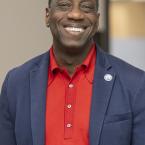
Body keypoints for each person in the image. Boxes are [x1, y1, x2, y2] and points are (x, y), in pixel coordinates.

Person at [0, 0, 145, 145]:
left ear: (97, 20)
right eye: (64, 5)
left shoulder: (135, 84)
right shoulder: (15, 84)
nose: (76, 14)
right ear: (47, 15)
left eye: (86, 7)